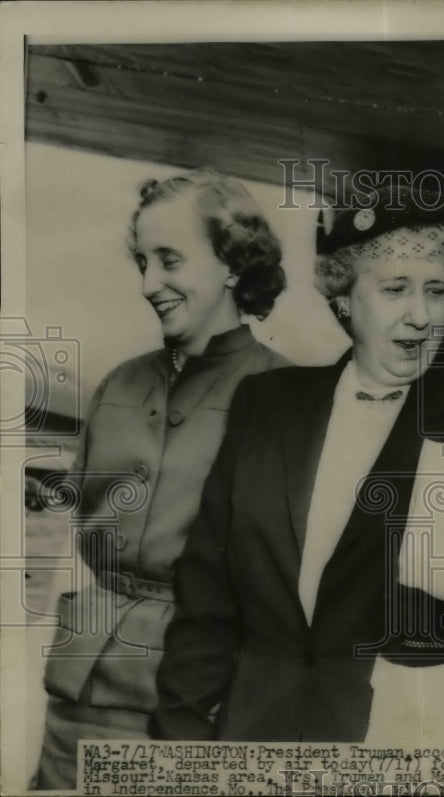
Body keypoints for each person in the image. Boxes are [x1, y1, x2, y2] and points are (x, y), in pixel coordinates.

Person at [153, 187, 444, 745]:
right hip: (258, 730)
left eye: (436, 291)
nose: (419, 316)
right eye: (394, 289)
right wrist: (180, 734)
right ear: (345, 298)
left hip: (408, 734)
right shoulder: (268, 404)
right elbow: (207, 595)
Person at [35, 171, 289, 788]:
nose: (149, 284)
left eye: (170, 260)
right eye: (143, 262)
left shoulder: (284, 398)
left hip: (194, 700)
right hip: (78, 690)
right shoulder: (119, 384)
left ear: (232, 263)